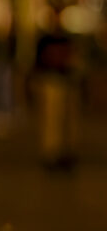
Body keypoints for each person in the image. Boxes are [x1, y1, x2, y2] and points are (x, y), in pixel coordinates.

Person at [34, 12, 78, 172]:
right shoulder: (45, 40)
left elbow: (73, 58)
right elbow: (39, 61)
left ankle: (65, 151)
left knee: (67, 119)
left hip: (65, 81)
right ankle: (51, 152)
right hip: (50, 81)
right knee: (51, 119)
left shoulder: (67, 39)